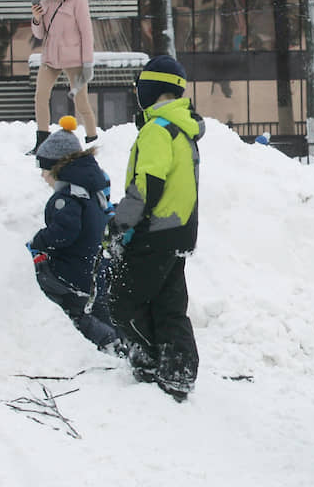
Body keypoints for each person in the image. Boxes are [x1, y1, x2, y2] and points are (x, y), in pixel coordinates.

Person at [107, 55, 205, 403]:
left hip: (155, 230)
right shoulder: (183, 127)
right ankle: (177, 371)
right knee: (168, 304)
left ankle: (148, 360)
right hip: (180, 230)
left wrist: (120, 222)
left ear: (151, 89)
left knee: (122, 299)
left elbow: (147, 184)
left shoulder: (157, 129)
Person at [27, 116, 123, 353]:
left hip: (75, 270)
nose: (42, 176)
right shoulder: (92, 191)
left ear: (57, 167)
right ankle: (122, 340)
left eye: (44, 169)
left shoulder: (67, 199)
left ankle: (107, 342)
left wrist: (39, 241)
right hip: (94, 266)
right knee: (100, 308)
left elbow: (64, 234)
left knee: (77, 312)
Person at [28, 0, 98, 155]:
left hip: (74, 59)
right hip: (50, 58)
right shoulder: (46, 1)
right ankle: (42, 139)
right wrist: (36, 18)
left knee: (81, 100)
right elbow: (40, 34)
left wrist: (87, 63)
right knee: (41, 96)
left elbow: (87, 33)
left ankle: (91, 138)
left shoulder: (78, 0)